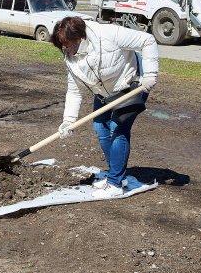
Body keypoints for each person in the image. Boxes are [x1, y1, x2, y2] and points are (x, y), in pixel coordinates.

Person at [51, 16, 158, 197]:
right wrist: (68, 121)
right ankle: (118, 175)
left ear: (80, 37)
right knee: (100, 125)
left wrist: (150, 73)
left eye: (66, 44)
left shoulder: (108, 34)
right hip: (105, 93)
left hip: (131, 84)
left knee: (118, 129)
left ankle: (115, 184)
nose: (63, 49)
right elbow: (74, 91)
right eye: (60, 45)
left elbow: (147, 40)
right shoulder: (70, 58)